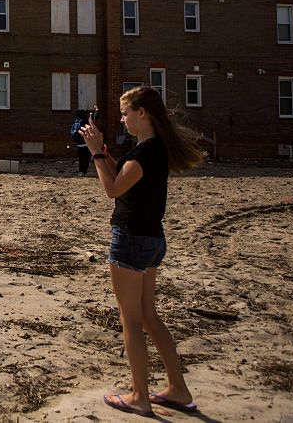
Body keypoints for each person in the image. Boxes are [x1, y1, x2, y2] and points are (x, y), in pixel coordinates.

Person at [78, 86, 205, 418]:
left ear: (142, 113)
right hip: (152, 241)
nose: (122, 119)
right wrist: (104, 152)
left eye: (125, 113)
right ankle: (178, 390)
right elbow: (125, 173)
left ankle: (139, 397)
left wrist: (94, 154)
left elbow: (113, 189)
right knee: (149, 316)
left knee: (131, 321)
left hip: (131, 239)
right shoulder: (153, 149)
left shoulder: (144, 153)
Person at [70, 105, 99, 176]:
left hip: (78, 145)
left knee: (81, 159)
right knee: (86, 159)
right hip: (86, 144)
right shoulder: (85, 121)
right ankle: (84, 172)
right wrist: (96, 110)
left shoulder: (76, 122)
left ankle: (80, 172)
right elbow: (94, 118)